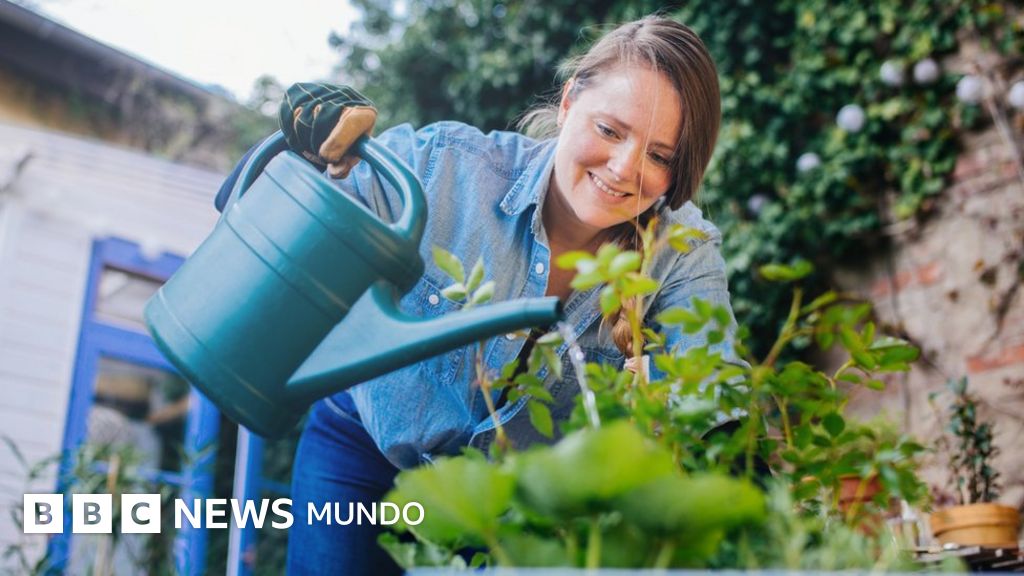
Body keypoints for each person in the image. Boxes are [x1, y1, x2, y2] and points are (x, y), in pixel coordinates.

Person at [216, 15, 741, 575]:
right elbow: (247, 214)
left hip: (506, 513)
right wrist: (303, 151)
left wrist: (683, 413)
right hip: (363, 455)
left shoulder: (680, 251)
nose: (624, 168)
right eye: (610, 130)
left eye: (660, 156)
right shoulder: (445, 167)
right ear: (568, 104)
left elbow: (717, 391)